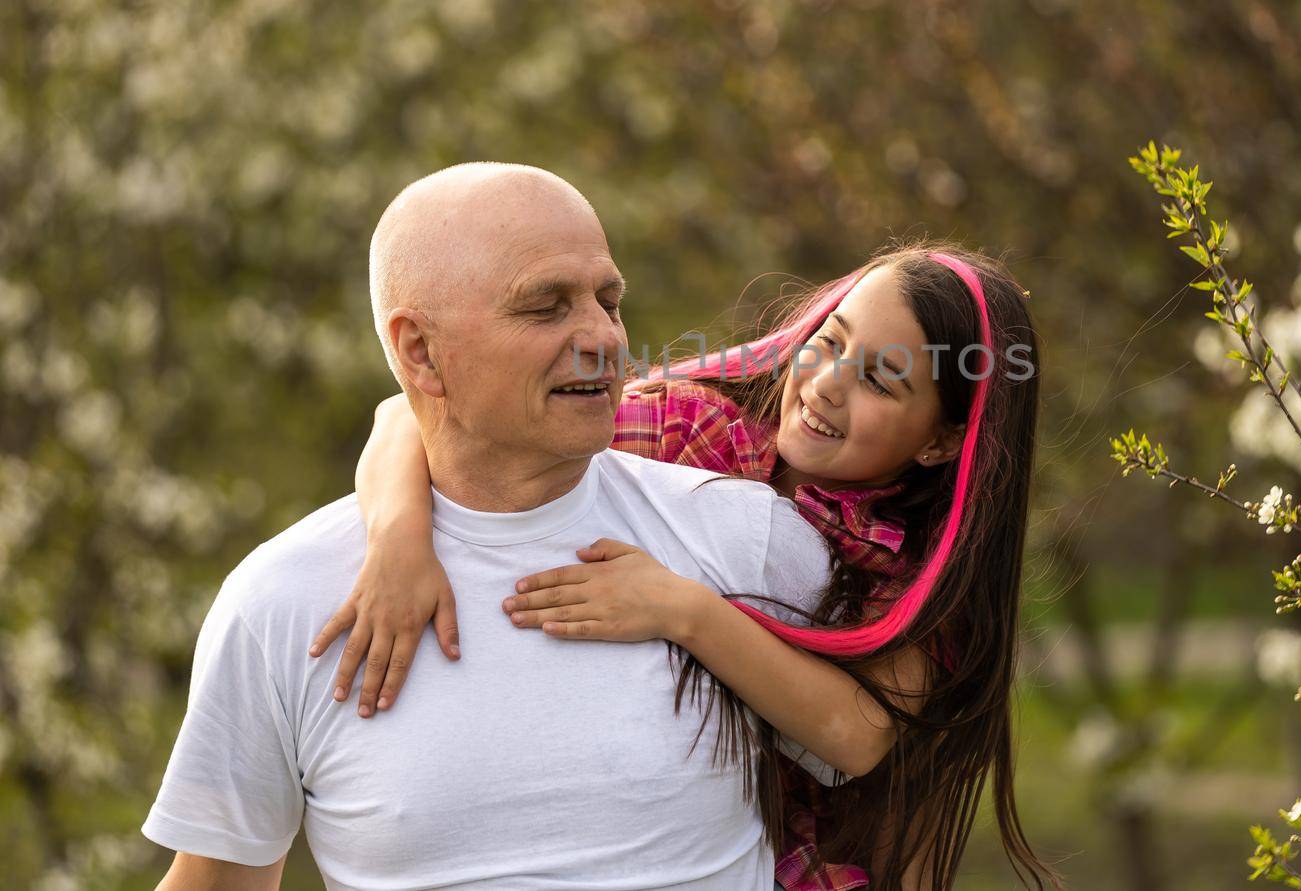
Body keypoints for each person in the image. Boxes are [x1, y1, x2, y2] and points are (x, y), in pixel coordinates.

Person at [142, 162, 836, 890]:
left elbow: (895, 785)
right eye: (547, 307)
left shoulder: (747, 541)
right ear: (420, 352)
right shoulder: (281, 603)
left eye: (609, 300)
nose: (604, 336)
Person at [317, 237, 1061, 889]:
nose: (829, 382)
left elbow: (857, 733)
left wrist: (683, 608)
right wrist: (398, 537)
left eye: (879, 380)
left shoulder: (919, 573)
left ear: (938, 442)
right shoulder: (689, 429)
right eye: (830, 341)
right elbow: (411, 415)